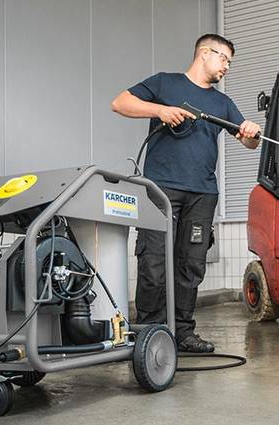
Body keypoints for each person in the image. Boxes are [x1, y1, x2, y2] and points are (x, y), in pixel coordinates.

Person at [111, 34, 260, 353]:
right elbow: (120, 102)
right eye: (224, 59)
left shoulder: (222, 103)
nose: (226, 67)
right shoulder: (166, 84)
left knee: (190, 265)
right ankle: (149, 332)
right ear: (205, 53)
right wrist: (160, 111)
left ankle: (182, 331)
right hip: (161, 188)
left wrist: (250, 131)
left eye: (230, 63)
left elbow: (248, 141)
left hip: (202, 194)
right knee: (154, 262)